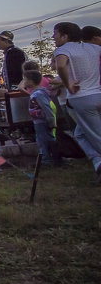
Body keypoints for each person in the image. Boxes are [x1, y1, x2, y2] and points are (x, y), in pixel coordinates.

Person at [51, 22, 101, 180]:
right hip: (97, 93)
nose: (53, 37)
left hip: (81, 98)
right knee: (79, 133)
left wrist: (68, 84)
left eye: (56, 33)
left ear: (65, 36)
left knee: (96, 136)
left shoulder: (64, 49)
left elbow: (60, 66)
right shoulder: (94, 48)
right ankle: (97, 161)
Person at [22, 69, 60, 167]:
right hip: (38, 122)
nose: (24, 82)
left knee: (44, 141)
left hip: (42, 122)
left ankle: (47, 160)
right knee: (43, 140)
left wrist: (51, 121)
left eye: (25, 79)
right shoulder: (36, 94)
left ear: (31, 81)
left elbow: (47, 108)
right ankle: (53, 159)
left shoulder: (38, 94)